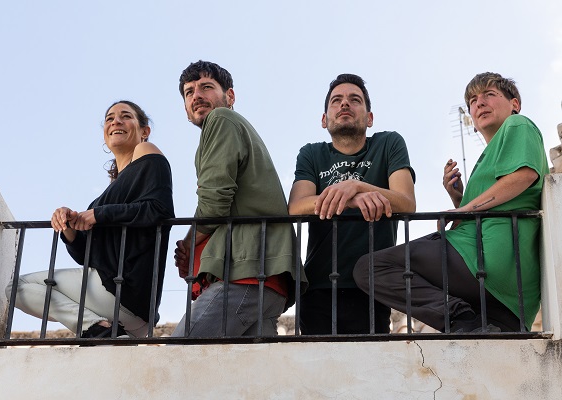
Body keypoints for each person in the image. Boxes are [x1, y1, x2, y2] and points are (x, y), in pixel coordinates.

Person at [353, 72, 549, 333]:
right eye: (473, 100)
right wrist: (459, 198)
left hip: (487, 259)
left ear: (515, 104)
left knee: (370, 267)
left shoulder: (518, 124)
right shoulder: (491, 155)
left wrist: (465, 208)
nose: (479, 103)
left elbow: (523, 176)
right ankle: (469, 323)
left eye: (489, 94)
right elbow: (496, 204)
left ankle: (457, 316)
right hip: (511, 298)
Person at [6, 100, 175, 338]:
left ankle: (95, 329)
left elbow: (159, 209)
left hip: (123, 290)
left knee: (17, 287)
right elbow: (87, 257)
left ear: (144, 131)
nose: (116, 121)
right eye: (109, 118)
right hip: (126, 305)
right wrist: (69, 228)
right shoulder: (112, 190)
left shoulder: (146, 151)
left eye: (126, 116)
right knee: (20, 288)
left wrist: (98, 214)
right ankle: (105, 331)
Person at [172, 60, 307, 337]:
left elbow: (214, 203)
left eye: (206, 87)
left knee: (179, 354)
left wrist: (188, 242)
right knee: (247, 367)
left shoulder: (221, 119)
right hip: (269, 279)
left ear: (230, 96)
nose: (196, 96)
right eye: (189, 92)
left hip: (245, 273)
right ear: (185, 109)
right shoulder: (233, 129)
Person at [288, 74, 416, 334]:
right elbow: (296, 206)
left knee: (370, 359)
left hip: (372, 283)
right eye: (336, 100)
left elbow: (406, 202)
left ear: (369, 118)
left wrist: (358, 185)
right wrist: (353, 199)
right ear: (324, 120)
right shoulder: (311, 153)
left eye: (355, 100)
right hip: (319, 285)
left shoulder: (389, 143)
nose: (344, 104)